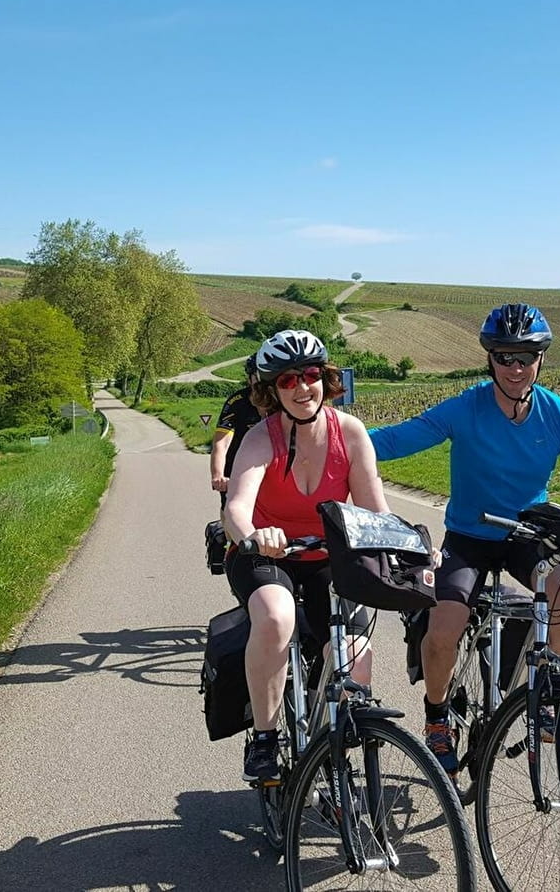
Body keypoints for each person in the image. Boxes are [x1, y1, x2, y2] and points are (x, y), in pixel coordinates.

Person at [368, 303, 560, 776]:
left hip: (527, 533)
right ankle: (437, 714)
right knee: (443, 629)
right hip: (469, 536)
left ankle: (547, 685)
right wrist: (340, 439)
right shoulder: (467, 407)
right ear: (490, 359)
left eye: (525, 357)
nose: (516, 368)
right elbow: (402, 439)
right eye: (505, 357)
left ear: (541, 359)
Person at [222, 329, 392, 783]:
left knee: (354, 647)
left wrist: (410, 548)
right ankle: (263, 737)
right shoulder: (262, 437)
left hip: (325, 556)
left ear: (327, 378)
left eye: (311, 375)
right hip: (264, 554)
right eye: (287, 380)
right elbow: (235, 507)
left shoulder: (350, 433)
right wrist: (254, 535)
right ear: (271, 390)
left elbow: (376, 511)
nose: (302, 388)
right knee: (277, 617)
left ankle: (337, 742)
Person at [209, 355, 264, 506]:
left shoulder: (282, 401)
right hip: (236, 466)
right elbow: (221, 443)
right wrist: (218, 475)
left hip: (269, 468)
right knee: (232, 511)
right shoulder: (237, 402)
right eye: (259, 377)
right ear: (250, 379)